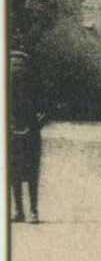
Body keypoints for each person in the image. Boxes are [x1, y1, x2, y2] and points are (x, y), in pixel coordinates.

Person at [10, 49, 45, 223]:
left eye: (21, 65)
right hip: (11, 137)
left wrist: (38, 121)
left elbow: (45, 109)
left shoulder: (35, 87)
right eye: (14, 65)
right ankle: (18, 210)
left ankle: (33, 210)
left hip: (31, 136)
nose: (18, 68)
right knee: (13, 174)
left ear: (27, 67)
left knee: (31, 174)